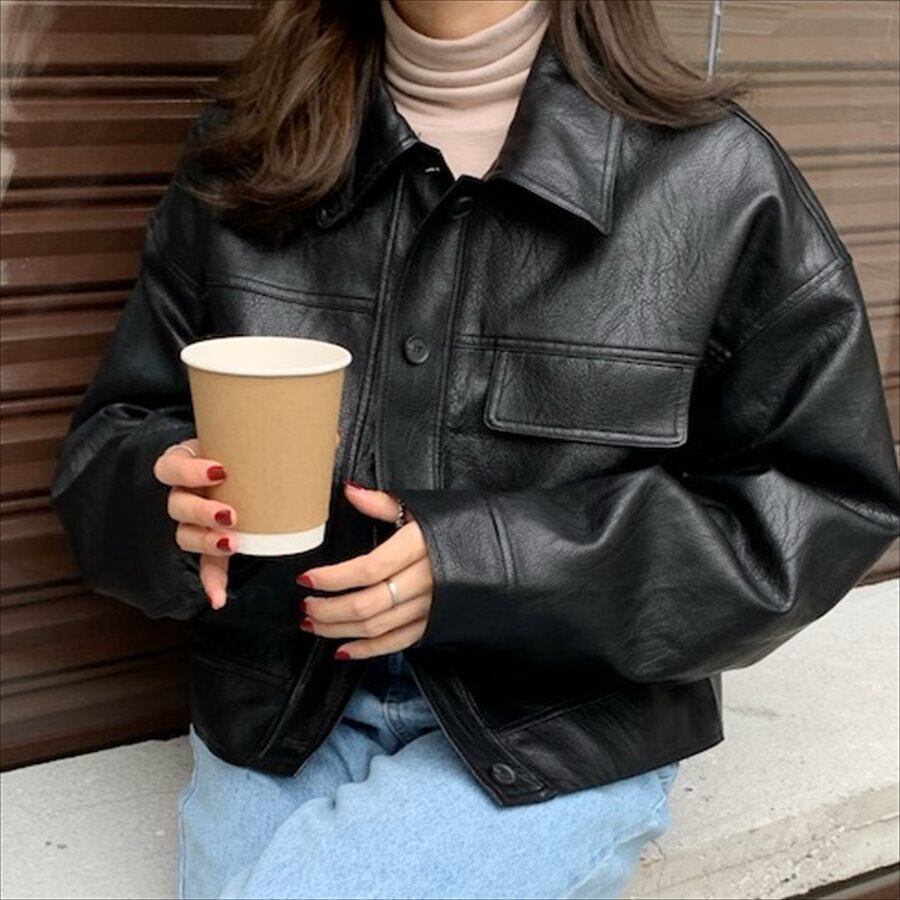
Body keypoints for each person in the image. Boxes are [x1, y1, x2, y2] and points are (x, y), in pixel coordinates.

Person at [48, 1, 900, 898]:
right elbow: (112, 442)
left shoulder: (715, 177)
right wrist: (171, 498)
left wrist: (490, 561)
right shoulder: (247, 150)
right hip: (279, 703)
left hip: (557, 722)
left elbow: (823, 502)